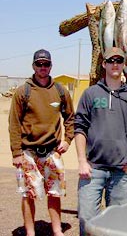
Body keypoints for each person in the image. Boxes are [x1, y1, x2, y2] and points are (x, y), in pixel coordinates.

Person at [74, 47, 127, 235]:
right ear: (104, 64)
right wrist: (82, 160)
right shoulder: (90, 94)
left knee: (119, 225)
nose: (115, 64)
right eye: (111, 60)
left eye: (119, 60)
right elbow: (79, 127)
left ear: (124, 65)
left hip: (120, 173)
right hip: (93, 170)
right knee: (87, 220)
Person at [8, 49, 74, 236]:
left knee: (55, 193)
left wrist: (68, 140)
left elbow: (70, 117)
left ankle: (57, 230)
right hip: (28, 152)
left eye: (46, 64)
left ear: (51, 66)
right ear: (33, 66)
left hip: (52, 151)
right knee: (28, 194)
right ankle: (30, 232)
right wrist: (16, 153)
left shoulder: (60, 91)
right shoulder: (23, 91)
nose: (43, 67)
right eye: (39, 64)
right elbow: (14, 123)